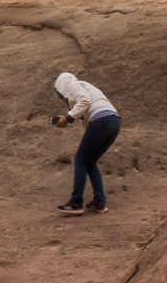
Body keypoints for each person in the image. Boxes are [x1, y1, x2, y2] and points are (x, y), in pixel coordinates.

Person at [51, 72, 120, 215]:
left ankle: (76, 204)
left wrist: (68, 119)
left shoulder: (73, 85)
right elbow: (85, 114)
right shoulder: (86, 87)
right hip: (114, 122)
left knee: (80, 160)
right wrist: (67, 118)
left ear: (62, 86)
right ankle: (99, 203)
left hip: (101, 120)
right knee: (90, 162)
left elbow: (84, 101)